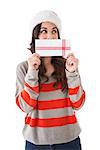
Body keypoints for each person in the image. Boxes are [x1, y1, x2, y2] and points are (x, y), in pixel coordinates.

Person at [15, 10, 85, 150]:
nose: (50, 36)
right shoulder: (24, 68)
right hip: (36, 143)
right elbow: (25, 106)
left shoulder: (68, 66)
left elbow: (78, 103)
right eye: (44, 31)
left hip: (69, 141)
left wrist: (72, 73)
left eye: (54, 31)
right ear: (36, 36)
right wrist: (32, 72)